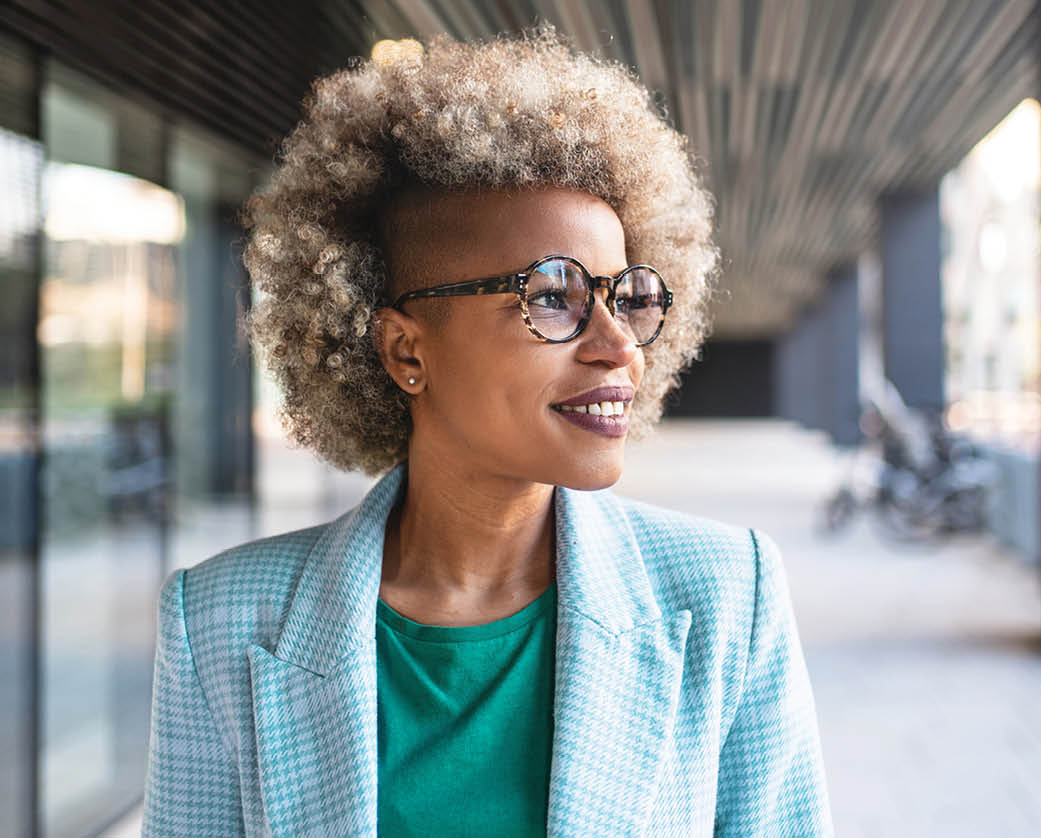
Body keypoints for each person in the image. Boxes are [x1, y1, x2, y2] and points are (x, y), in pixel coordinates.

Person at [140, 27, 833, 837]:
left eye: (627, 296)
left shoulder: (725, 597)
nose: (617, 347)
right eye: (551, 296)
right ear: (406, 349)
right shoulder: (219, 622)